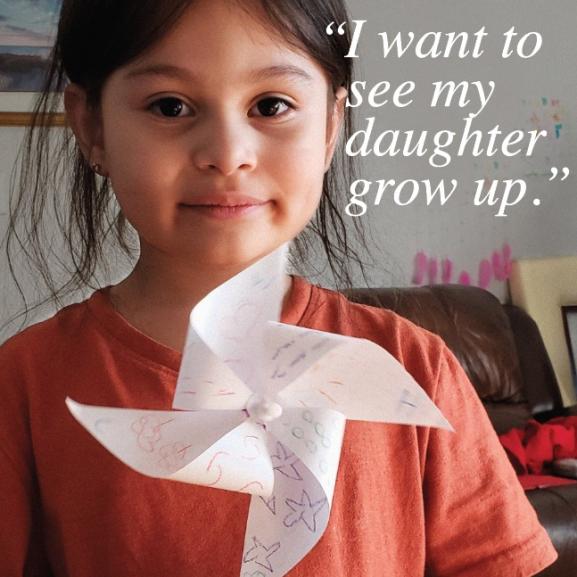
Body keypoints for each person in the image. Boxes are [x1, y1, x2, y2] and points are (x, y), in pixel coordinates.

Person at [0, 0, 558, 576]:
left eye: (271, 105)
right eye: (170, 106)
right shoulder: (24, 384)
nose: (227, 155)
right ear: (92, 125)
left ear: (329, 127)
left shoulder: (417, 367)